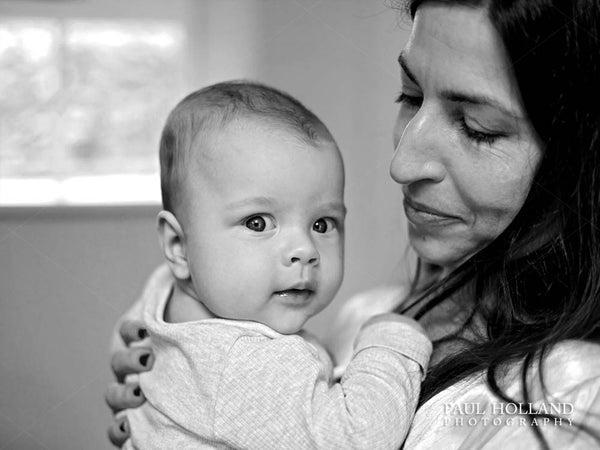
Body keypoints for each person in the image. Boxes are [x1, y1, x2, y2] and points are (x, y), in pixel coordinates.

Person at [106, 0, 600, 448]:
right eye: (409, 96)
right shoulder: (365, 317)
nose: (401, 164)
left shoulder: (571, 396)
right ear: (176, 244)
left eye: (477, 127)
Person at [115, 80, 432, 449]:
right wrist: (391, 339)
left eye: (322, 224)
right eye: (258, 222)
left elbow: (128, 333)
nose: (304, 249)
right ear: (179, 246)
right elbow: (360, 438)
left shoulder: (165, 294)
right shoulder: (242, 360)